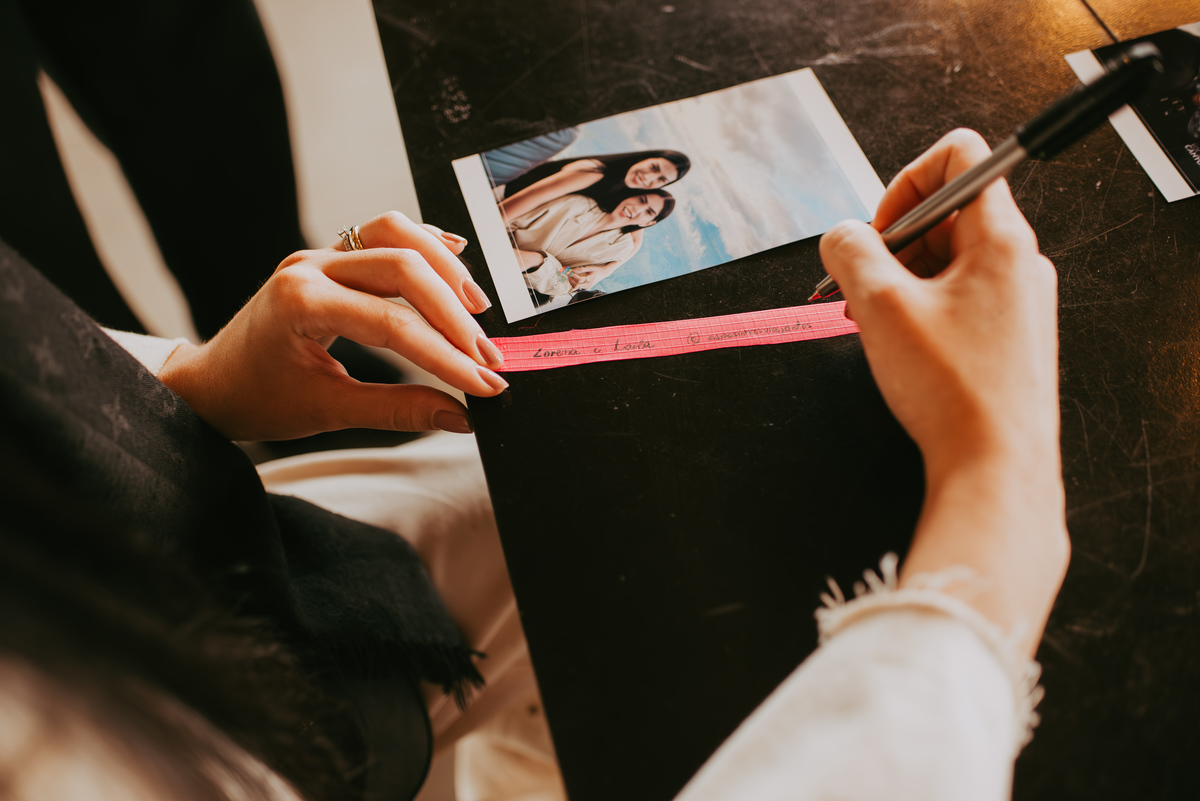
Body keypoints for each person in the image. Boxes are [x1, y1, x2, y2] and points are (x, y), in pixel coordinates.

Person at [0, 128, 1068, 800]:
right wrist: (1003, 489)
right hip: (252, 710)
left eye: (658, 196)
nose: (647, 197)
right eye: (643, 190)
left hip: (234, 548)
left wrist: (180, 387)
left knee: (592, 518)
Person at [507, 189, 674, 299]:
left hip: (522, 290)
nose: (637, 209)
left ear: (648, 223)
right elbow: (513, 222)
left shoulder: (620, 248)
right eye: (641, 200)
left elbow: (569, 280)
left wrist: (537, 261)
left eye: (648, 212)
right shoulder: (578, 203)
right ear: (631, 195)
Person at [496, 150, 691, 223]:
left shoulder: (624, 189)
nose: (648, 178)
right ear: (644, 158)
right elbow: (530, 198)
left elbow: (637, 233)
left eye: (661, 179)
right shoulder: (594, 171)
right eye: (653, 167)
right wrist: (490, 226)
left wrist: (606, 269)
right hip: (501, 200)